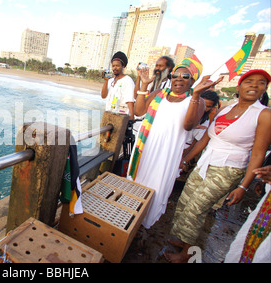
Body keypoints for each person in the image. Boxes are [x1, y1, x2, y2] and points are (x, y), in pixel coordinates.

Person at [166, 69, 271, 263]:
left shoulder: (263, 115)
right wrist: (186, 159)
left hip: (228, 169)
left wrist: (242, 187)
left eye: (261, 83)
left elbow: (258, 154)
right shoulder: (224, 109)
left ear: (265, 89)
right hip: (206, 163)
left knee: (197, 207)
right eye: (249, 82)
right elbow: (205, 139)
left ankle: (187, 253)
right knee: (185, 201)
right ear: (239, 87)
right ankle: (184, 239)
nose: (254, 85)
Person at [127, 54, 222, 229]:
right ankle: (128, 218)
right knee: (136, 182)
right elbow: (139, 111)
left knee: (155, 188)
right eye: (175, 76)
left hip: (167, 154)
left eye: (185, 76)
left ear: (193, 80)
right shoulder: (159, 94)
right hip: (145, 148)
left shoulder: (197, 101)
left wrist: (196, 95)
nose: (179, 79)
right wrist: (144, 86)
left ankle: (142, 226)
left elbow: (188, 125)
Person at [101, 51, 135, 120]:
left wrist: (131, 118)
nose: (115, 68)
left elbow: (130, 100)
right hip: (108, 115)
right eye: (113, 66)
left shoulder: (128, 80)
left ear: (123, 66)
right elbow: (103, 96)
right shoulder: (110, 81)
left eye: (117, 66)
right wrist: (106, 81)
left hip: (121, 117)